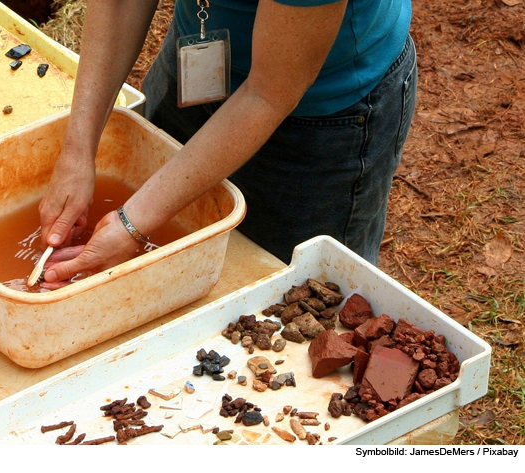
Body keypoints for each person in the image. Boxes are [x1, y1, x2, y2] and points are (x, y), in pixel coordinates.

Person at [37, 0, 417, 288]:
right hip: (201, 53)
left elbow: (269, 94)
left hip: (322, 116)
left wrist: (131, 225)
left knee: (295, 292)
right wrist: (77, 150)